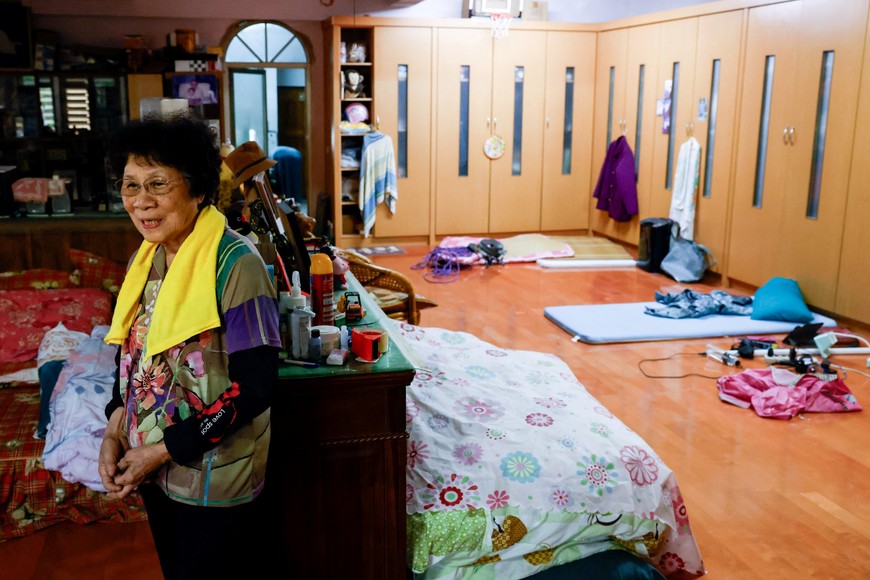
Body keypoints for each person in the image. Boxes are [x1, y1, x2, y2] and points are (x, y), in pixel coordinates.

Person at [98, 114, 282, 579]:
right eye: (130, 186)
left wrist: (161, 450)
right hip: (153, 468)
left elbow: (256, 386)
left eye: (158, 184)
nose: (142, 202)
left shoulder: (236, 265)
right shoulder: (147, 259)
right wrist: (114, 429)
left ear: (198, 188)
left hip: (213, 478)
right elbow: (135, 359)